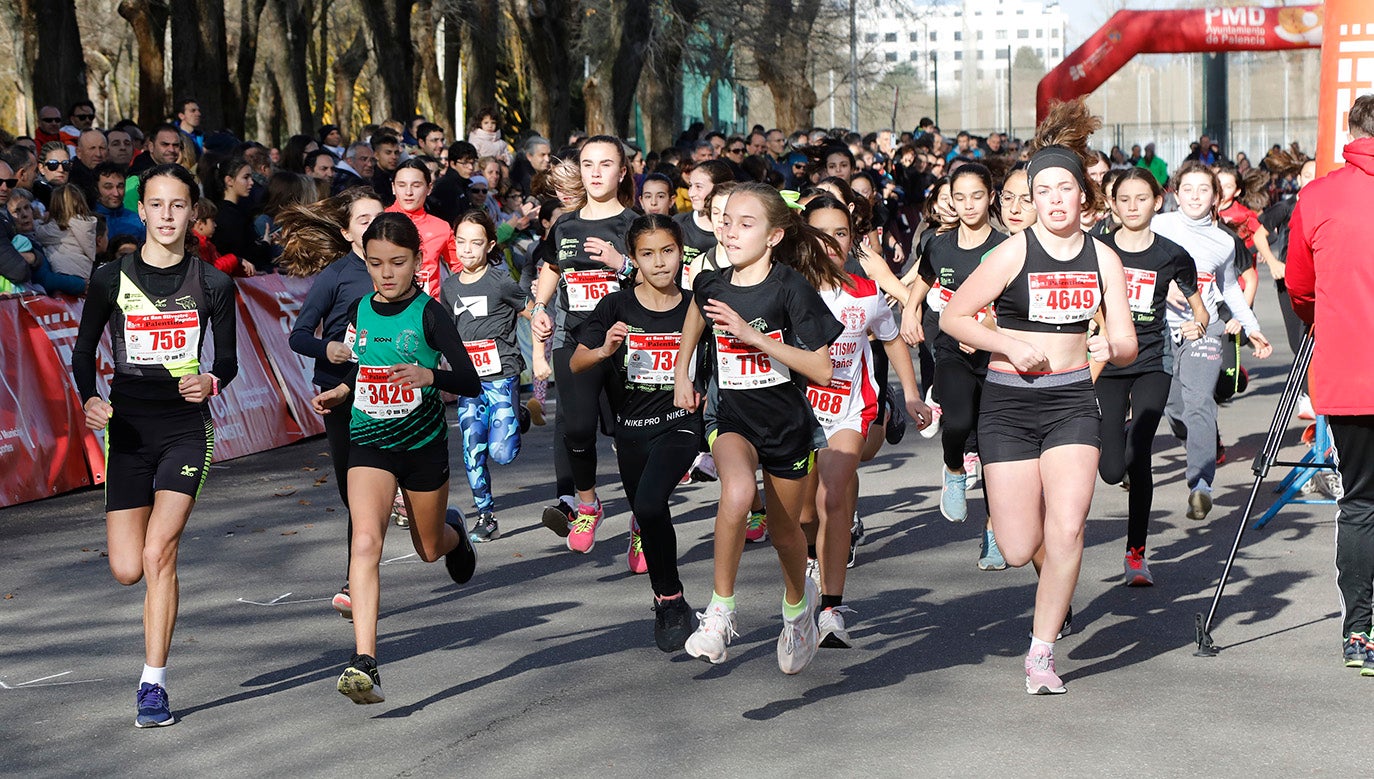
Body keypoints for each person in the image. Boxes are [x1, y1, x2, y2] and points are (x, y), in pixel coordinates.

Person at [940, 99, 1138, 695]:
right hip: (1008, 402)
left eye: (1064, 189)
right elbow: (953, 316)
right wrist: (1005, 341)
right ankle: (1050, 585)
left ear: (1084, 197)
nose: (1054, 199)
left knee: (1070, 527)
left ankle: (1041, 652)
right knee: (1020, 542)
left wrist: (1110, 346)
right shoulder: (1013, 252)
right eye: (1042, 189)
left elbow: (1125, 340)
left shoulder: (1103, 256)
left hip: (1073, 400)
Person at [71, 163, 239, 727]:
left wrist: (213, 380)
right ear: (141, 210)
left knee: (157, 553)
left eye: (179, 205)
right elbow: (82, 352)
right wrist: (89, 398)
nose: (168, 216)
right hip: (130, 433)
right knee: (126, 568)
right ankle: (155, 594)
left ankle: (153, 684)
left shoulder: (213, 283)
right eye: (158, 205)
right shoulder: (107, 278)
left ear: (193, 213)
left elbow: (230, 360)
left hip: (186, 431)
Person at [308, 212, 481, 705]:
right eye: (376, 263)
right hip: (369, 440)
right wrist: (341, 393)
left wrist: (432, 378)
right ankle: (365, 661)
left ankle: (454, 534)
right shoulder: (359, 310)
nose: (386, 273)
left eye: (398, 263)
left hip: (422, 445)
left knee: (429, 549)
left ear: (417, 262)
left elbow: (468, 380)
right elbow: (362, 371)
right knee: (365, 542)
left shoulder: (430, 314)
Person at [674, 182, 845, 673]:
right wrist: (683, 370)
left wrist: (753, 337)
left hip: (785, 423)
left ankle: (797, 610)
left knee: (784, 532)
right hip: (730, 417)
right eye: (725, 220)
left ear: (773, 237)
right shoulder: (710, 281)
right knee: (736, 491)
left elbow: (821, 369)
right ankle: (719, 612)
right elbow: (695, 316)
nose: (729, 231)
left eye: (745, 224)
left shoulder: (790, 287)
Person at [568, 215, 704, 647]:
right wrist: (605, 348)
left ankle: (669, 599)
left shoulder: (696, 305)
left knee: (649, 502)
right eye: (648, 254)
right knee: (647, 513)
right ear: (633, 259)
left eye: (668, 251)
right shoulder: (616, 305)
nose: (660, 263)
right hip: (630, 429)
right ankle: (669, 599)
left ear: (681, 252)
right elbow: (576, 363)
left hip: (680, 424)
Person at [801, 195, 930, 646]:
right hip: (795, 414)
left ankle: (831, 608)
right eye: (822, 234)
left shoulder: (865, 291)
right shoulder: (784, 286)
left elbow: (892, 340)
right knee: (800, 514)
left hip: (848, 409)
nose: (832, 242)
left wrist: (911, 394)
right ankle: (803, 580)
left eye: (841, 233)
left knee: (833, 496)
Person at [1285, 93, 1374, 677]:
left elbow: (1299, 287)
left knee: (1362, 501)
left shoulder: (1317, 196)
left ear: (1351, 130)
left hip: (1349, 373)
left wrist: (1332, 318)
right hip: (1349, 370)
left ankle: (1359, 629)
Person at [1097, 167, 1208, 585]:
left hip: (1152, 362)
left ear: (1158, 201)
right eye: (1123, 199)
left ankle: (1136, 554)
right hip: (1106, 363)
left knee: (1139, 452)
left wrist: (1196, 324)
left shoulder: (1172, 255)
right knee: (1110, 469)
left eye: (1141, 199)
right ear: (1112, 203)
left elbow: (1201, 310)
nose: (1132, 207)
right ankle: (1120, 439)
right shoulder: (1098, 249)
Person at [280, 187, 386, 620]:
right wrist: (329, 349)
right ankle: (356, 573)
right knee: (351, 491)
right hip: (339, 392)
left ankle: (353, 579)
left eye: (380, 217)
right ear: (346, 232)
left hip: (385, 391)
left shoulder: (399, 271)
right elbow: (299, 335)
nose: (374, 226)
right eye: (364, 220)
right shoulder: (337, 275)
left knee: (369, 494)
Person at [530, 135, 638, 552]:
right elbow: (552, 268)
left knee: (629, 437)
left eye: (605, 164)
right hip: (576, 339)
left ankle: (643, 520)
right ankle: (588, 506)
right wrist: (540, 306)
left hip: (627, 344)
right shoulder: (566, 224)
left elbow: (659, 279)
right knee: (575, 428)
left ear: (622, 172)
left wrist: (620, 264)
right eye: (588, 164)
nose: (595, 172)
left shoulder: (633, 224)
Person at [901, 163, 1007, 569]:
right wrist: (910, 311)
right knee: (958, 421)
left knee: (997, 452)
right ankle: (953, 470)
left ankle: (994, 534)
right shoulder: (939, 245)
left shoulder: (1006, 246)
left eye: (976, 196)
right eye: (959, 197)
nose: (967, 205)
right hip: (949, 350)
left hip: (996, 354)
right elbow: (924, 280)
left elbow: (1013, 302)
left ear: (991, 196)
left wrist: (984, 327)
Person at [1154, 161, 1272, 520]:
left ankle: (1201, 484)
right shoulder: (1158, 227)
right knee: (1175, 408)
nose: (1194, 196)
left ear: (1216, 197)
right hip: (1158, 330)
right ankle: (1196, 441)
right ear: (1175, 193)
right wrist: (1166, 285)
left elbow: (1230, 288)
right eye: (1187, 188)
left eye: (1202, 189)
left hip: (1203, 329)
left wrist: (1250, 326)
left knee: (1200, 400)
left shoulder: (1223, 241)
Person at [440, 210, 527, 542]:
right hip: (470, 383)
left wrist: (541, 323)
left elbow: (530, 308)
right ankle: (486, 516)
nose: (466, 250)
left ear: (490, 244)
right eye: (461, 242)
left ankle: (516, 415)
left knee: (502, 453)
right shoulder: (449, 287)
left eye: (475, 243)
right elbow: (444, 331)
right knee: (471, 446)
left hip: (501, 374)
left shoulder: (500, 280)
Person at [384, 158, 459, 298]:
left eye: (416, 185)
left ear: (429, 188)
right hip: (388, 309)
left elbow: (461, 267)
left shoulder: (441, 227)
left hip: (428, 309)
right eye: (402, 185)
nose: (408, 192)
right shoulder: (378, 223)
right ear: (393, 188)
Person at [676, 159, 733, 289]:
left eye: (699, 187)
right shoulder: (678, 224)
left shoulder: (735, 233)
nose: (691, 193)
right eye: (690, 185)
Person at [211, 155, 270, 272]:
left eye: (251, 177)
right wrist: (265, 244)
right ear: (229, 180)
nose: (251, 182)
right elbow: (243, 253)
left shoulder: (230, 211)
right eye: (246, 177)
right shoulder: (229, 216)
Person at [33, 183, 98, 281]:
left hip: (65, 274)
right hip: (83, 273)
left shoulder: (61, 227)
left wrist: (38, 219)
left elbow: (38, 234)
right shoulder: (85, 225)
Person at [430, 141, 478, 224]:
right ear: (452, 164)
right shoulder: (445, 187)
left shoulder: (464, 184)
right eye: (465, 163)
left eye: (472, 163)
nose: (471, 167)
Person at [93, 162, 144, 239]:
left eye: (120, 187)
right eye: (108, 187)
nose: (116, 193)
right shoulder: (89, 221)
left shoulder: (137, 220)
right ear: (96, 189)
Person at [370, 132, 402, 205]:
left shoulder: (398, 175)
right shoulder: (372, 180)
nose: (394, 157)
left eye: (396, 153)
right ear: (376, 155)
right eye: (388, 153)